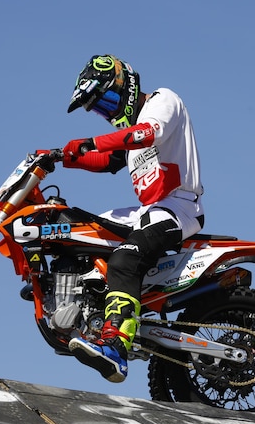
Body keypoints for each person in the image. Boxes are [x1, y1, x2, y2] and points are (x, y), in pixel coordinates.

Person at [59, 54, 204, 382]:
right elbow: (109, 160)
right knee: (76, 230)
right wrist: (63, 157)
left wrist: (90, 142)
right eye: (100, 107)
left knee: (124, 260)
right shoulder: (131, 134)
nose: (108, 111)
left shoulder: (162, 100)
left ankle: (116, 346)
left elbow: (147, 133)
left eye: (108, 99)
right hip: (148, 211)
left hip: (177, 207)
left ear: (125, 83)